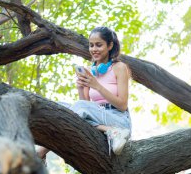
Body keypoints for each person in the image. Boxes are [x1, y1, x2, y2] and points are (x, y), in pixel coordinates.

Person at [37, 26, 131, 161]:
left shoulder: (119, 68)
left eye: (99, 45)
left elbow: (122, 105)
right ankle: (107, 130)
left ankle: (41, 152)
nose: (94, 49)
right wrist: (80, 88)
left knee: (79, 107)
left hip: (118, 119)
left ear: (110, 45)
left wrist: (97, 86)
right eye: (91, 45)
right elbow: (85, 105)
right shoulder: (90, 71)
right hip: (97, 117)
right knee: (57, 107)